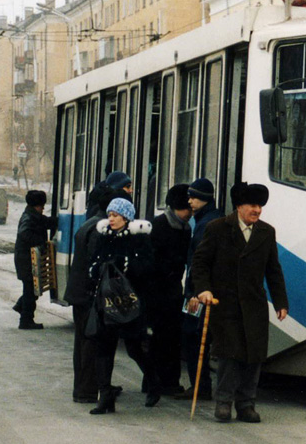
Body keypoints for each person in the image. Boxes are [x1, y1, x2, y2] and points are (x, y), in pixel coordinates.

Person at [190, 181, 289, 424]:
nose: (257, 210)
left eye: (260, 206)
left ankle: (246, 404)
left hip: (254, 304)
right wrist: (203, 289)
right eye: (253, 206)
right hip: (225, 303)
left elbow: (273, 270)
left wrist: (280, 302)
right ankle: (223, 403)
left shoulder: (266, 232)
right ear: (239, 207)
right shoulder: (217, 228)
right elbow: (200, 263)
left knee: (253, 356)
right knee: (229, 354)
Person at [85, 197, 156, 415]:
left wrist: (128, 265)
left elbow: (148, 269)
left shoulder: (140, 239)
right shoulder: (105, 236)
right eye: (110, 215)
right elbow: (94, 261)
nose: (111, 219)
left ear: (126, 217)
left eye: (115, 215)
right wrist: (96, 268)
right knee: (104, 348)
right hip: (106, 303)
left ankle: (153, 382)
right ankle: (105, 396)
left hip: (129, 304)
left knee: (134, 348)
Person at [174, 177, 223, 400]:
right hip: (200, 290)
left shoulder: (206, 224)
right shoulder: (209, 219)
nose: (190, 201)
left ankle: (199, 386)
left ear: (204, 199)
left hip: (197, 294)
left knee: (192, 336)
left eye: (194, 197)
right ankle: (200, 385)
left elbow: (199, 263)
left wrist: (193, 293)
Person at [147, 184, 193, 405]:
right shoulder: (160, 225)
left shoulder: (184, 227)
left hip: (173, 289)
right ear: (177, 207)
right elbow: (153, 260)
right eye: (188, 209)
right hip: (158, 291)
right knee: (161, 338)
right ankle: (158, 381)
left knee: (171, 338)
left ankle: (167, 380)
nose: (190, 214)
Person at [64, 187, 108, 403]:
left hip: (78, 293)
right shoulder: (100, 227)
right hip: (88, 296)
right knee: (90, 343)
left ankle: (81, 389)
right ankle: (87, 390)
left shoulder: (88, 223)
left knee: (82, 342)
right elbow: (94, 264)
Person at [13, 190, 56, 330]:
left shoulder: (33, 215)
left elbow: (47, 222)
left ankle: (21, 307)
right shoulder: (29, 217)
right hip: (26, 260)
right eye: (41, 205)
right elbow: (24, 233)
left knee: (30, 290)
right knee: (30, 290)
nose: (43, 208)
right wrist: (40, 242)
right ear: (36, 205)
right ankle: (26, 320)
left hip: (26, 259)